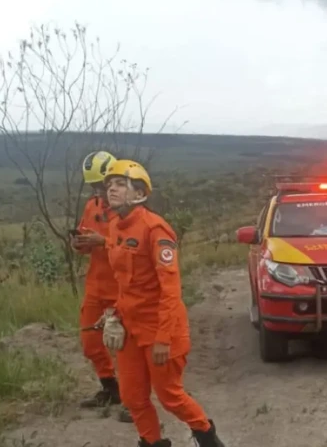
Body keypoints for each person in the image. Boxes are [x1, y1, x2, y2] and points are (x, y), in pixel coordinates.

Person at [100, 159, 225, 447]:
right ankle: (152, 442)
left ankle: (208, 439)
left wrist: (164, 338)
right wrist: (114, 315)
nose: (112, 190)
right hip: (130, 330)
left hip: (161, 330)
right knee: (132, 398)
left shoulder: (155, 230)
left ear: (140, 193)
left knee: (170, 396)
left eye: (121, 184)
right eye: (110, 185)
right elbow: (125, 282)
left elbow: (171, 291)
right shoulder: (115, 228)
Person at [70, 150, 132, 423]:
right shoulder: (91, 206)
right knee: (90, 343)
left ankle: (135, 399)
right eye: (95, 186)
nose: (100, 191)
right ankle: (110, 388)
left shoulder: (130, 211)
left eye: (102, 185)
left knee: (128, 349)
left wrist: (102, 242)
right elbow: (87, 239)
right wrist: (80, 244)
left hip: (123, 289)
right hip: (96, 286)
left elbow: (133, 250)